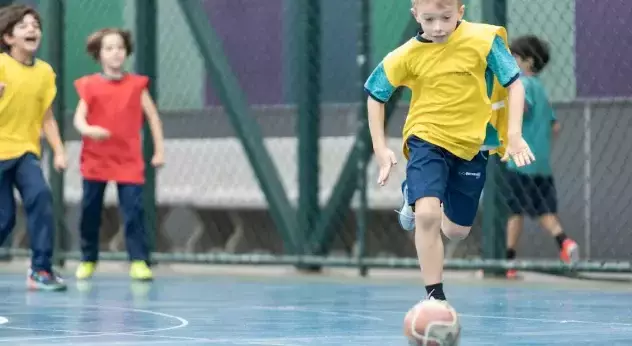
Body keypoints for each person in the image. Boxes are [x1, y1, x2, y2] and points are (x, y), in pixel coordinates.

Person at [364, 0, 533, 338]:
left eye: (446, 17)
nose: (438, 26)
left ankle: (415, 195)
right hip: (427, 139)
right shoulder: (407, 55)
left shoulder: (484, 41)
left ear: (462, 11)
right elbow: (375, 94)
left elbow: (514, 82)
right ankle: (435, 297)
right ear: (416, 16)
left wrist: (513, 135)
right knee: (427, 216)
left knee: (456, 231)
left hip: (472, 146)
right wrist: (381, 149)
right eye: (429, 19)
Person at [72, 28, 165, 281]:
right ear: (99, 54)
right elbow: (78, 119)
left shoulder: (137, 85)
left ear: (126, 52)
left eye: (120, 48)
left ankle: (138, 261)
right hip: (95, 160)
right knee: (91, 210)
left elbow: (153, 118)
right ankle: (88, 258)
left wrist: (159, 150)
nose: (115, 53)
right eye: (109, 48)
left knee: (133, 211)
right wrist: (89, 129)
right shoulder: (90, 85)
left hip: (128, 161)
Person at [0, 4, 67, 291]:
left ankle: (40, 269)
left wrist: (60, 150)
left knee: (40, 196)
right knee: (4, 218)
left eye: (35, 25)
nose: (32, 29)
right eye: (23, 25)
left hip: (26, 151)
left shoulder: (44, 73)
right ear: (8, 37)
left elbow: (47, 118)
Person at [504, 35, 579, 279]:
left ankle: (509, 262)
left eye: (514, 57)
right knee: (544, 210)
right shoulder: (541, 90)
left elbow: (522, 106)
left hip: (520, 163)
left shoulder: (522, 86)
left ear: (529, 62)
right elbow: (555, 127)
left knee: (516, 212)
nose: (510, 61)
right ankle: (565, 243)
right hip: (541, 165)